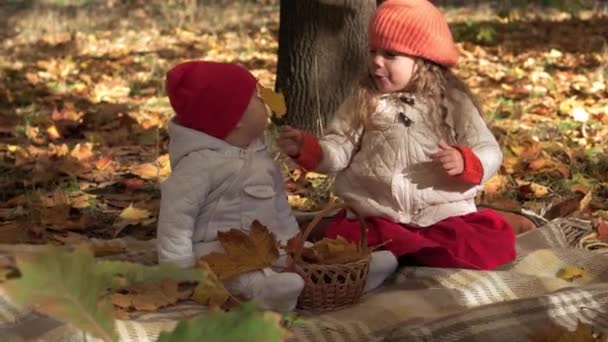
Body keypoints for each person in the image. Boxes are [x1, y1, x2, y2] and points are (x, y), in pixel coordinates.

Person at [278, 0, 516, 271]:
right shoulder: (364, 100)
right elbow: (339, 148)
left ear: (424, 60)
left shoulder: (454, 102)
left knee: (476, 245)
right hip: (379, 216)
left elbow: (489, 149)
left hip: (439, 215)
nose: (376, 62)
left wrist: (467, 163)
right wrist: (310, 150)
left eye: (390, 54)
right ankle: (384, 260)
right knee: (350, 243)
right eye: (372, 52)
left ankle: (410, 258)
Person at [157, 61, 305, 311]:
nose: (265, 101)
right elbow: (176, 217)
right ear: (234, 118)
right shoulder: (199, 164)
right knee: (235, 272)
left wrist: (293, 238)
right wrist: (179, 268)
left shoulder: (260, 154)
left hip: (267, 243)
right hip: (217, 249)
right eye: (257, 98)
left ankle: (342, 274)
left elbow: (279, 202)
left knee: (299, 258)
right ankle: (262, 294)